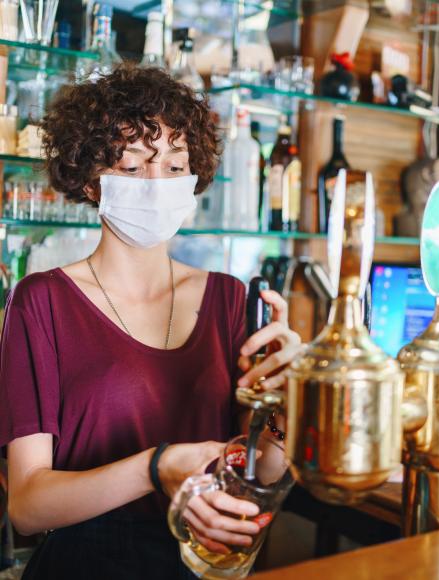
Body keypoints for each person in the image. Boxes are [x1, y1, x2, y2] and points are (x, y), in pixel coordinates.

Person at [0, 64, 302, 579]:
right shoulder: (43, 302)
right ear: (92, 182)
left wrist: (285, 404)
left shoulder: (229, 299)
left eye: (175, 165)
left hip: (198, 563)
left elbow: (260, 470)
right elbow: (28, 505)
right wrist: (155, 468)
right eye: (135, 168)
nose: (158, 185)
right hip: (83, 564)